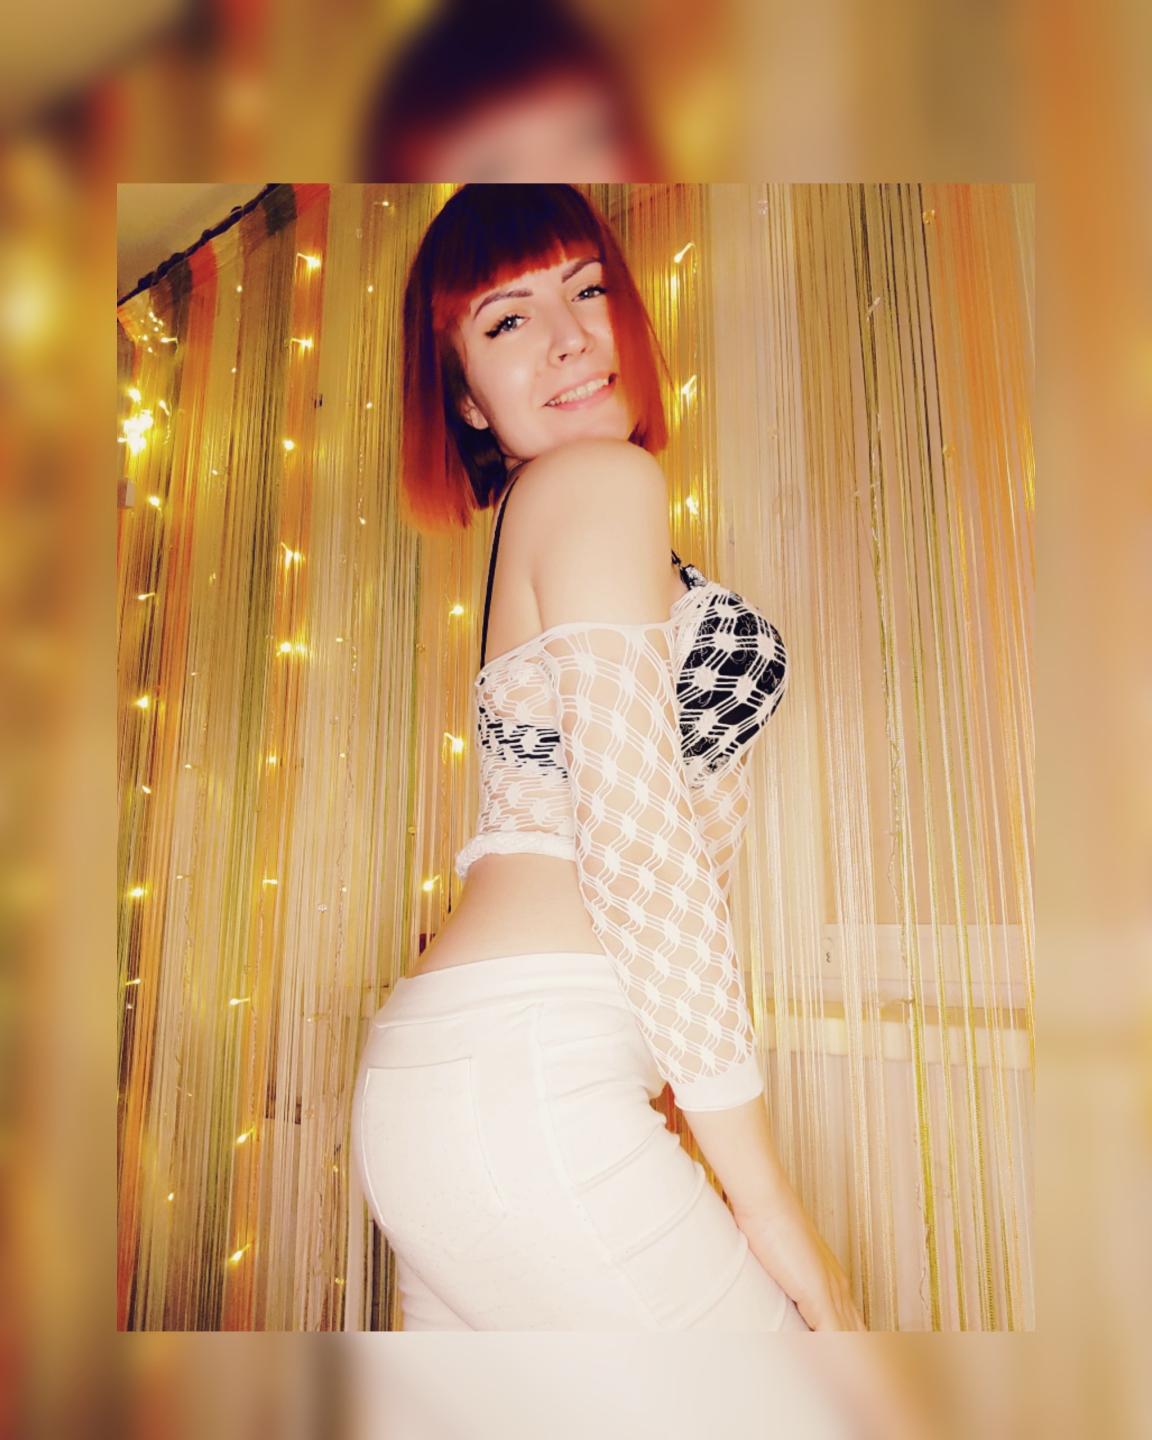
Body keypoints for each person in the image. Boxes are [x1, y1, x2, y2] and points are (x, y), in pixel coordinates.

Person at [350, 183, 865, 1333]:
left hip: (474, 1080)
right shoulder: (598, 483)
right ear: (466, 397)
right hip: (532, 1073)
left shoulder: (552, 509)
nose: (571, 335)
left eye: (587, 291)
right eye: (507, 318)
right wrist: (769, 1205)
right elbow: (638, 848)